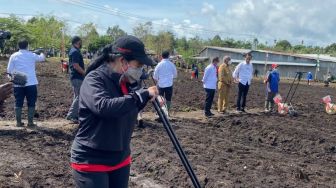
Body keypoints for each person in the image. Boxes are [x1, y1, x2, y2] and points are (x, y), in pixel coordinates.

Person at [71, 35, 159, 188]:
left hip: (120, 157)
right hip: (92, 159)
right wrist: (140, 96)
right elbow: (103, 107)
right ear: (122, 61)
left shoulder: (127, 82)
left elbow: (127, 108)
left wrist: (144, 99)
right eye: (138, 64)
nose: (140, 70)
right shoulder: (94, 79)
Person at [7, 39, 45, 127]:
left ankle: (18, 122)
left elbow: (9, 70)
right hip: (31, 82)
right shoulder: (32, 55)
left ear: (18, 46)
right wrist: (41, 51)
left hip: (18, 83)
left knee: (18, 101)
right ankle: (30, 123)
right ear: (27, 46)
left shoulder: (13, 56)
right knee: (31, 102)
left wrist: (13, 79)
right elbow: (42, 58)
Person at [66, 36, 85, 123]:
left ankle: (75, 115)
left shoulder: (74, 51)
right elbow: (76, 66)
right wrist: (85, 73)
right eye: (80, 42)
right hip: (77, 77)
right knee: (79, 96)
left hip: (76, 77)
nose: (81, 43)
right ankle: (71, 115)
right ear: (77, 42)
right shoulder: (75, 52)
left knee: (77, 95)